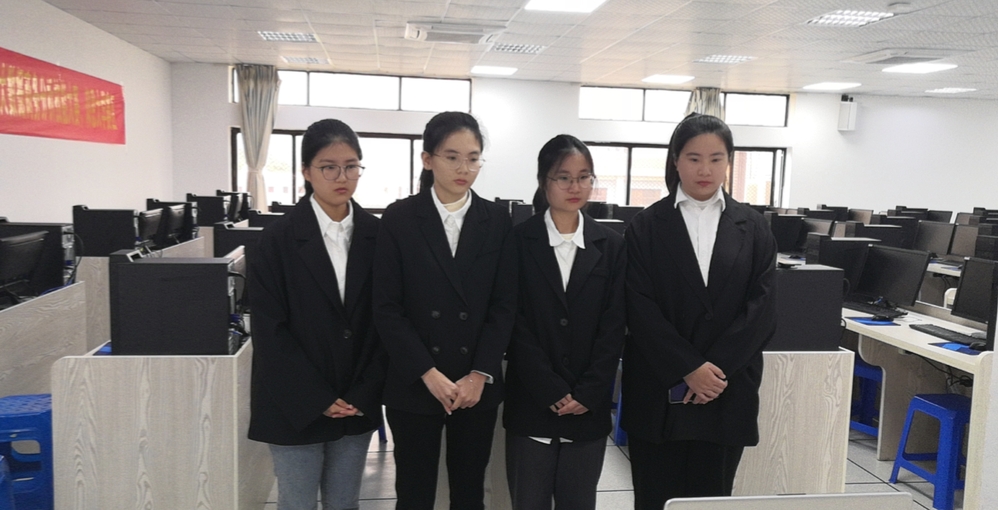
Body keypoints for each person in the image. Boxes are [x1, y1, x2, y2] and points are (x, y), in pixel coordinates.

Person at [621, 113, 778, 509]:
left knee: (712, 500)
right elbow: (638, 307)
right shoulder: (645, 226)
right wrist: (688, 368)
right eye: (693, 158)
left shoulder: (754, 227)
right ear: (676, 161)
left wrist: (714, 371)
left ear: (729, 162)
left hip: (726, 389)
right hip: (660, 387)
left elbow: (762, 309)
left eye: (716, 158)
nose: (705, 169)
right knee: (655, 499)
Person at [373, 111, 517, 510]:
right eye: (452, 157)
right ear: (427, 159)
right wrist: (427, 372)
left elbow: (504, 305)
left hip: (475, 385)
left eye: (473, 158)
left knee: (470, 492)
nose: (463, 168)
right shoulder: (400, 217)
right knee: (414, 492)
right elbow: (386, 307)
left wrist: (480, 373)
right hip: (415, 380)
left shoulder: (496, 220)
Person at [248, 119, 387, 510]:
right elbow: (270, 331)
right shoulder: (276, 240)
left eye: (351, 166)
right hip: (294, 402)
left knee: (345, 503)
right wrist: (317, 398)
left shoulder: (379, 236)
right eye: (329, 167)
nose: (342, 177)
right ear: (306, 172)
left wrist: (364, 391)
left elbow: (387, 321)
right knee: (297, 502)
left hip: (356, 398)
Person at [503, 134, 626, 510]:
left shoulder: (611, 245)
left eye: (584, 177)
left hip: (588, 408)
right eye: (564, 177)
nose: (575, 187)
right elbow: (513, 322)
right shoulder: (517, 242)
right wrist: (549, 388)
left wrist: (589, 391)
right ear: (544, 181)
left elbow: (614, 325)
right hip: (532, 402)